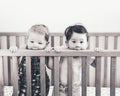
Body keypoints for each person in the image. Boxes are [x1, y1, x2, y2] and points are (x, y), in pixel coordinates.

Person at [48, 24, 96, 96]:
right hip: (59, 87)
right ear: (67, 43)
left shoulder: (85, 56)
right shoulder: (64, 51)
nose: (78, 45)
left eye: (81, 42)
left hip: (74, 89)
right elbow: (56, 52)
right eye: (74, 41)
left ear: (87, 44)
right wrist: (55, 49)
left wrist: (97, 54)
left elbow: (96, 65)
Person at [9, 24, 50, 96]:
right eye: (32, 42)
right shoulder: (24, 47)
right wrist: (14, 49)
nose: (35, 45)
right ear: (27, 40)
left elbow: (51, 66)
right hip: (23, 80)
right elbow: (13, 58)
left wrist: (50, 53)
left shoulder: (45, 51)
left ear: (46, 44)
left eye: (40, 43)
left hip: (39, 81)